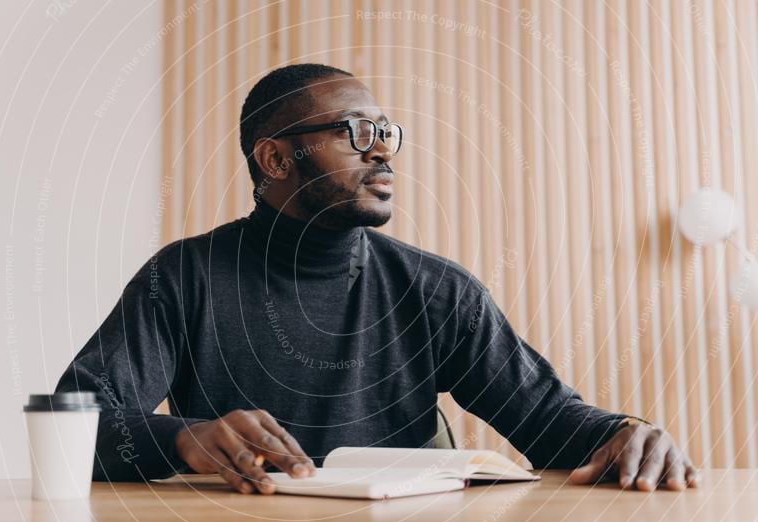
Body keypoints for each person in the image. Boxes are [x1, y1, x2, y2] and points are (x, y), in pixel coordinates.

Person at [56, 63, 699, 495]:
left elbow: (546, 420)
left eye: (385, 132)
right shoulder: (183, 276)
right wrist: (183, 437)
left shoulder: (438, 290)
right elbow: (70, 424)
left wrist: (624, 433)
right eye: (355, 132)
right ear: (275, 158)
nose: (382, 149)